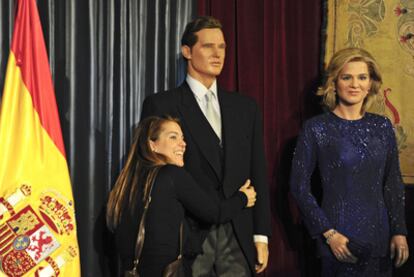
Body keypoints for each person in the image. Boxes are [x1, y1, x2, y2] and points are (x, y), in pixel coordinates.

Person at [140, 16, 271, 276]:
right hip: (187, 234)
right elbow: (153, 173)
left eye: (222, 47)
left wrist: (261, 236)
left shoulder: (245, 108)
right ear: (187, 51)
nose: (217, 54)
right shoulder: (162, 104)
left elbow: (258, 171)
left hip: (237, 233)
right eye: (208, 46)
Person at [290, 47, 409, 276]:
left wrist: (399, 231)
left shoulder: (382, 126)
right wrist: (328, 233)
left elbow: (392, 182)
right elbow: (299, 186)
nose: (355, 84)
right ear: (334, 82)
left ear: (370, 84)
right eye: (347, 77)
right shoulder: (316, 128)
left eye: (362, 77)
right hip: (339, 241)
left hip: (379, 240)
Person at [106, 116, 257, 276]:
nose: (183, 143)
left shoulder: (126, 184)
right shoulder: (171, 174)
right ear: (153, 145)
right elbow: (215, 212)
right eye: (173, 137)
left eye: (183, 138)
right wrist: (243, 198)